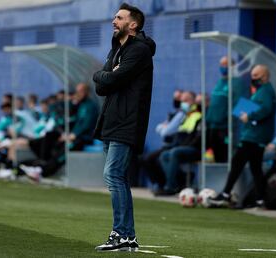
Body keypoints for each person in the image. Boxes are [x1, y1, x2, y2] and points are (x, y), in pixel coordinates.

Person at [92, 3, 156, 252]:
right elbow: (102, 85)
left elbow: (112, 79)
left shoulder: (139, 50)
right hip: (112, 121)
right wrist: (104, 74)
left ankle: (121, 233)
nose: (113, 21)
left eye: (119, 18)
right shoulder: (117, 49)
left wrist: (105, 75)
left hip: (126, 123)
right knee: (116, 177)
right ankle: (126, 235)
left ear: (133, 24)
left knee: (113, 175)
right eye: (114, 17)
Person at [210, 65, 276, 208]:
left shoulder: (265, 91)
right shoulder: (260, 91)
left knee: (237, 162)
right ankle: (261, 199)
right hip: (253, 135)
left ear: (264, 76)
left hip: (254, 136)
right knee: (255, 168)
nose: (253, 78)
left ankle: (226, 194)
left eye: (256, 75)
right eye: (252, 75)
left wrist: (250, 115)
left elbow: (265, 109)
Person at [154, 91, 202, 196]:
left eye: (186, 100)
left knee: (173, 153)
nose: (183, 103)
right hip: (182, 146)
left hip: (193, 148)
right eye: (182, 101)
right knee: (164, 155)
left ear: (193, 101)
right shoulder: (186, 115)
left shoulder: (198, 115)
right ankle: (176, 183)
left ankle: (170, 187)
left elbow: (196, 138)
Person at [140, 90, 185, 191]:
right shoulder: (175, 113)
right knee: (147, 159)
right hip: (166, 145)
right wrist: (164, 127)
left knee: (151, 159)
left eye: (179, 98)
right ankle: (160, 184)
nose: (176, 100)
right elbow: (159, 128)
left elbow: (166, 131)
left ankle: (167, 184)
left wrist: (165, 127)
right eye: (175, 98)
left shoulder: (182, 114)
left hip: (172, 146)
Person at [206, 56, 246, 163]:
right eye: (221, 64)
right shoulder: (220, 82)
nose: (223, 67)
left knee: (226, 157)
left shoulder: (237, 82)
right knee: (216, 157)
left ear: (232, 67)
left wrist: (230, 120)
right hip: (213, 126)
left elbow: (242, 105)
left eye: (226, 64)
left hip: (227, 128)